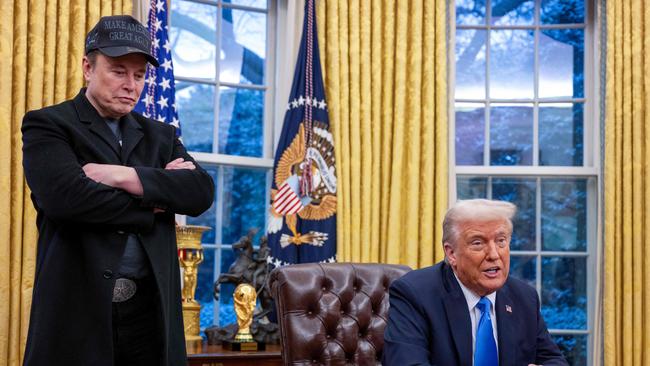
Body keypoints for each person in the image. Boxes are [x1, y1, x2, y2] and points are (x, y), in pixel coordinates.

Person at [21, 15, 214, 366]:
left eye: (139, 75)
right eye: (118, 71)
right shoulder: (48, 124)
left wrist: (120, 176)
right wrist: (155, 196)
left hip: (150, 316)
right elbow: (67, 199)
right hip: (79, 315)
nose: (131, 85)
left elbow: (200, 192)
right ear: (87, 67)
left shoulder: (161, 135)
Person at [383, 199, 568, 366]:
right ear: (451, 253)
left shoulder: (524, 297)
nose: (494, 254)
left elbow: (554, 360)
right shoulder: (415, 293)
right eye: (478, 243)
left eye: (501, 241)